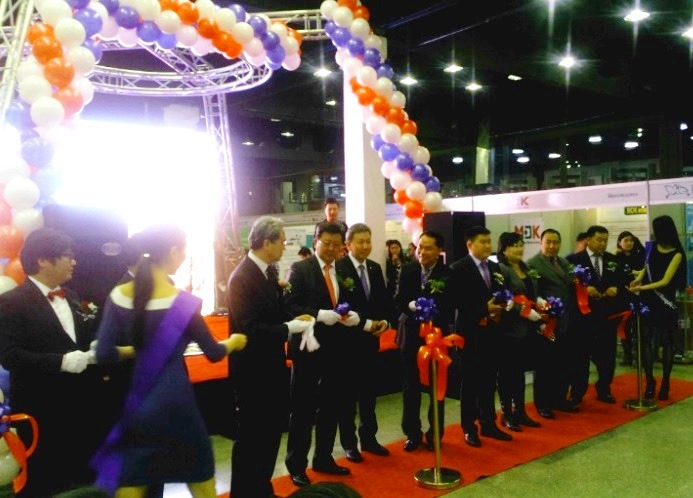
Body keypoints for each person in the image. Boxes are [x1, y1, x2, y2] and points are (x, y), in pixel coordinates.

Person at [91, 225, 248, 498]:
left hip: (138, 408)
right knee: (201, 483)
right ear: (174, 251)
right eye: (183, 250)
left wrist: (134, 351)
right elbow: (213, 353)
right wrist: (233, 341)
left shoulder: (118, 296)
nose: (183, 257)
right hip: (179, 407)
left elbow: (103, 354)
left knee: (133, 482)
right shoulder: (184, 303)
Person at [0, 228, 106, 497]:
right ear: (43, 260)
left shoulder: (72, 296)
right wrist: (61, 362)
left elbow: (79, 341)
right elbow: (10, 356)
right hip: (41, 408)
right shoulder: (9, 302)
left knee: (82, 482)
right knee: (44, 484)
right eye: (67, 256)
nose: (74, 262)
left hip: (81, 406)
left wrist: (95, 346)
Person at [227, 216, 313, 497]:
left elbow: (273, 312)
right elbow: (250, 328)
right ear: (267, 243)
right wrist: (289, 328)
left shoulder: (269, 272)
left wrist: (294, 317)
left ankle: (261, 489)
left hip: (272, 366)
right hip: (252, 371)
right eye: (281, 241)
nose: (284, 246)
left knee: (270, 435)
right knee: (251, 439)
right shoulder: (242, 277)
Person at [284, 222, 361, 488]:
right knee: (303, 409)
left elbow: (350, 299)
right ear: (315, 241)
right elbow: (290, 305)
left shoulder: (344, 269)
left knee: (331, 406)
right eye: (326, 243)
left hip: (337, 349)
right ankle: (296, 465)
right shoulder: (300, 269)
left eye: (336, 245)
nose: (331, 249)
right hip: (309, 347)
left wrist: (351, 314)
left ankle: (324, 458)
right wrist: (319, 315)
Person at [450, 226, 512, 448]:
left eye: (489, 241)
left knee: (489, 380)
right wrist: (483, 308)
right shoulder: (458, 268)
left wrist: (505, 303)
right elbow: (456, 302)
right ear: (470, 244)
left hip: (492, 333)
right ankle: (469, 427)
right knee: (470, 383)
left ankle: (488, 423)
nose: (487, 245)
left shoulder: (494, 267)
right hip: (470, 334)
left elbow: (500, 292)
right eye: (482, 242)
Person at [336, 224, 393, 463]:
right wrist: (366, 323)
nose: (365, 246)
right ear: (348, 244)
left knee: (369, 394)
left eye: (368, 241)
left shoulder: (374, 268)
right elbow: (339, 306)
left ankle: (369, 438)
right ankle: (349, 444)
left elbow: (384, 302)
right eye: (360, 241)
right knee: (348, 397)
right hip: (347, 343)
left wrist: (385, 322)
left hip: (371, 342)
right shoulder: (339, 268)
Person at [396, 231, 454, 452]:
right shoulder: (408, 269)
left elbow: (451, 305)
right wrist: (411, 306)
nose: (422, 252)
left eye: (428, 248)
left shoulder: (447, 273)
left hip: (436, 338)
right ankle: (412, 433)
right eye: (420, 247)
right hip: (410, 337)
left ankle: (435, 433)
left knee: (437, 388)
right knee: (410, 387)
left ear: (439, 251)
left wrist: (433, 310)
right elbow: (399, 299)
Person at [568, 225, 628, 405]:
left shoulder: (613, 260)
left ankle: (604, 388)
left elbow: (624, 282)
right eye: (599, 240)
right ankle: (577, 391)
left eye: (605, 240)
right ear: (588, 239)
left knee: (607, 357)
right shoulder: (573, 260)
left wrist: (616, 289)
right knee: (580, 358)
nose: (602, 244)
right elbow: (567, 286)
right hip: (583, 318)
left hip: (606, 318)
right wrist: (584, 291)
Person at [629, 215, 686, 400]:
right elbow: (645, 269)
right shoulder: (651, 247)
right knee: (646, 340)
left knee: (667, 342)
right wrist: (638, 280)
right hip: (647, 301)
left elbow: (665, 281)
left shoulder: (677, 253)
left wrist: (642, 287)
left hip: (665, 301)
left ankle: (666, 382)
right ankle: (650, 381)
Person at [527, 229, 580, 417]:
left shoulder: (564, 263)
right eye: (548, 242)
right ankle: (543, 403)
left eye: (555, 242)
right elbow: (533, 294)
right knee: (545, 365)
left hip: (568, 321)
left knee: (563, 363)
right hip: (547, 323)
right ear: (541, 243)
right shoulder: (533, 264)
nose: (552, 246)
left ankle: (559, 399)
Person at [495, 232, 544, 432]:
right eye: (514, 245)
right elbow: (502, 298)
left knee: (520, 372)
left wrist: (539, 302)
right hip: (509, 329)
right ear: (504, 249)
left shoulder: (526, 267)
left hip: (527, 329)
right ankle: (506, 413)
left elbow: (531, 293)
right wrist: (522, 310)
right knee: (507, 373)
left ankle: (520, 411)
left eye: (521, 244)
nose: (519, 248)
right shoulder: (501, 269)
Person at [615, 231, 646, 366]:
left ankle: (640, 356)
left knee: (639, 327)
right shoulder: (616, 258)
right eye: (625, 240)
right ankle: (627, 354)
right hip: (623, 296)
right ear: (619, 242)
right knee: (624, 326)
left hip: (639, 295)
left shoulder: (640, 255)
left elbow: (645, 273)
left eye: (631, 240)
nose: (629, 243)